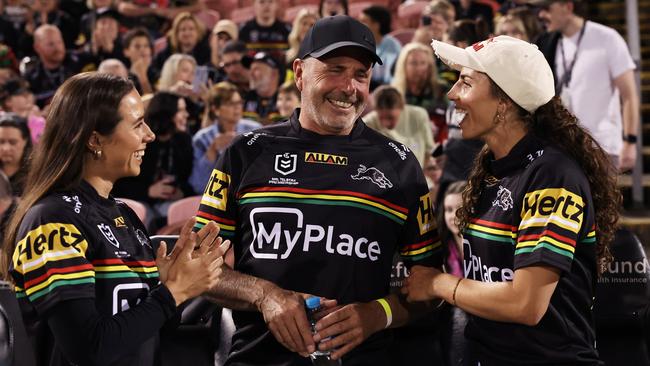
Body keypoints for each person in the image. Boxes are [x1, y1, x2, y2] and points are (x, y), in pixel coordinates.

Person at [195, 15, 442, 365]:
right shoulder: (246, 152)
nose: (348, 86)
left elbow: (431, 284)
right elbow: (196, 268)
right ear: (298, 73)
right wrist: (264, 295)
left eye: (361, 75)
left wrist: (378, 314)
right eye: (335, 68)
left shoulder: (400, 164)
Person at [403, 35, 620, 365]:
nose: (452, 95)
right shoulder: (493, 167)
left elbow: (526, 304)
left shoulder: (551, 176)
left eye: (465, 82)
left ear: (504, 102)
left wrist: (437, 283)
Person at [1, 72, 228, 365]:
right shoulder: (52, 222)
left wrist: (171, 284)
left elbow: (151, 333)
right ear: (95, 139)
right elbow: (89, 349)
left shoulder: (127, 217)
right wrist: (172, 293)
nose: (150, 134)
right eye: (137, 124)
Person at [532, 0, 639, 171]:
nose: (541, 15)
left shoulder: (607, 38)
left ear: (568, 7)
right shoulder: (550, 43)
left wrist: (630, 140)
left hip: (602, 146)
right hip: (564, 146)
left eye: (547, 9)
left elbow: (629, 96)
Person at [112, 91, 195, 229]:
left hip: (170, 201)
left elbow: (187, 179)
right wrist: (148, 191)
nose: (186, 115)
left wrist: (181, 191)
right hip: (138, 199)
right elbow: (119, 184)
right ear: (166, 113)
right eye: (181, 110)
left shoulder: (184, 140)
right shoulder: (140, 140)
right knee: (147, 216)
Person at [189, 81, 261, 194]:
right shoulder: (202, 139)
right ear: (216, 109)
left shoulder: (255, 130)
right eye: (230, 104)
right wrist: (212, 150)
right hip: (216, 197)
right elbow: (198, 185)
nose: (237, 108)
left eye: (239, 103)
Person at [363, 85, 434, 168]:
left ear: (401, 108)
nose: (386, 123)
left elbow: (429, 151)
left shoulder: (419, 116)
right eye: (381, 117)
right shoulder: (367, 123)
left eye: (391, 117)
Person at [391, 42, 448, 141]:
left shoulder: (442, 90)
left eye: (423, 63)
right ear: (403, 65)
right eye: (413, 63)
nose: (419, 68)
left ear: (429, 66)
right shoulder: (394, 93)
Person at [0, 113, 32, 196]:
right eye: (1, 142)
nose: (5, 148)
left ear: (25, 141)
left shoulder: (35, 175)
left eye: (12, 142)